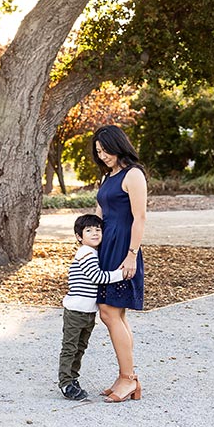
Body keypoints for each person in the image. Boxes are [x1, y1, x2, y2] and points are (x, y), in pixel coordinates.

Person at [91, 124, 146, 403]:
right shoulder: (108, 176)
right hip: (105, 247)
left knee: (110, 312)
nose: (103, 156)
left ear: (118, 145)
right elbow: (99, 215)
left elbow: (140, 218)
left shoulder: (133, 175)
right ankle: (126, 376)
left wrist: (132, 254)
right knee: (115, 314)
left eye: (106, 150)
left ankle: (129, 378)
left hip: (124, 247)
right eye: (98, 152)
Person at [58, 214, 124, 400]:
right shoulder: (85, 252)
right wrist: (121, 274)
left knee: (80, 347)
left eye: (97, 229)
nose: (94, 233)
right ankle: (65, 383)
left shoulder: (94, 253)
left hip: (88, 312)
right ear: (79, 236)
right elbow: (97, 277)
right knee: (70, 347)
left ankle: (73, 378)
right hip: (76, 311)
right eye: (88, 230)